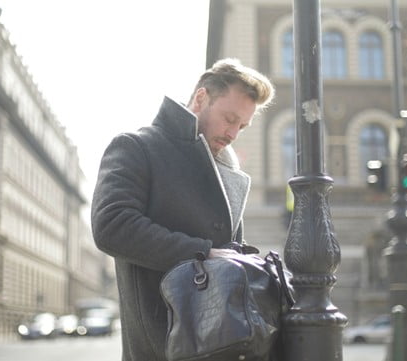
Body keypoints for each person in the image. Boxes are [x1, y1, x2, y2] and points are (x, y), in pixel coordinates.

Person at [91, 58, 275, 361]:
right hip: (162, 345)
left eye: (242, 126)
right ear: (201, 98)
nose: (232, 134)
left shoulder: (226, 171)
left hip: (223, 345)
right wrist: (204, 251)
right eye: (229, 118)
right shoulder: (136, 146)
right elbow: (111, 226)